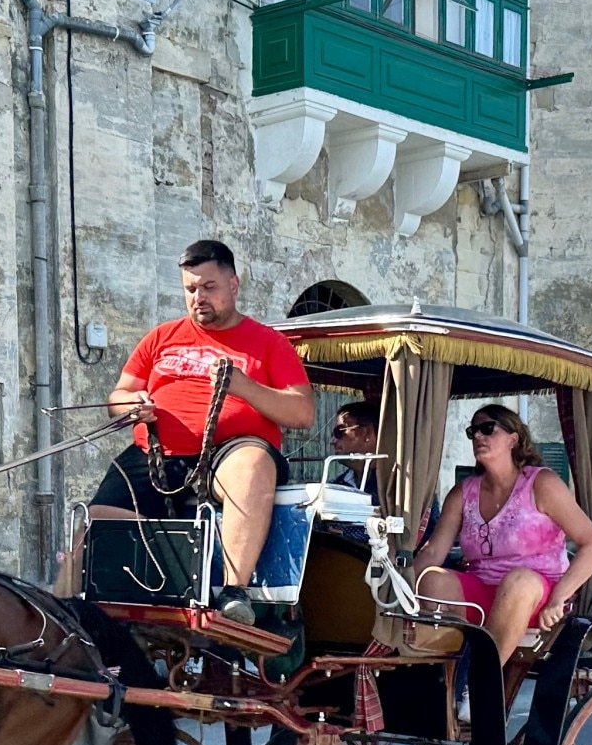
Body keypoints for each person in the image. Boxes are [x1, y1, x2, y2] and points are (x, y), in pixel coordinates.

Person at [89, 240, 313, 605]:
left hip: (230, 452)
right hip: (157, 451)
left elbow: (302, 413)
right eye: (191, 289)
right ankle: (75, 607)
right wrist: (134, 404)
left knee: (253, 464)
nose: (198, 298)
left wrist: (244, 387)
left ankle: (233, 589)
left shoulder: (269, 343)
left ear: (233, 285)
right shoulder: (160, 337)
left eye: (209, 288)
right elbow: (118, 396)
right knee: (96, 520)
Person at [410, 402, 592, 661]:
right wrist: (399, 583)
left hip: (537, 594)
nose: (478, 436)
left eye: (487, 429)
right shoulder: (463, 492)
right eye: (473, 432)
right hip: (483, 589)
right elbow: (433, 551)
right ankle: (452, 672)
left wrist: (558, 599)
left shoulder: (541, 483)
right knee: (431, 578)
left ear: (513, 439)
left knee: (519, 581)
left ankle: (480, 683)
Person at [328, 399, 382, 494]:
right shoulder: (336, 486)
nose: (332, 441)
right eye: (332, 435)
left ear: (367, 433)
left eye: (339, 432)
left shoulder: (394, 485)